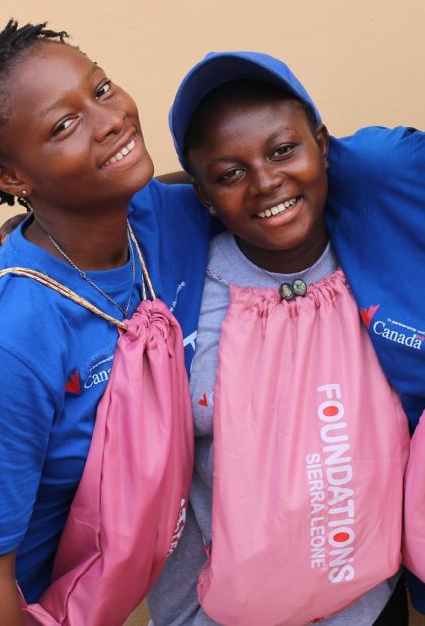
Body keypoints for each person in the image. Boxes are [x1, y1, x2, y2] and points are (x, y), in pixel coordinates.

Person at [0, 21, 212, 625]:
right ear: (10, 177)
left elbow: (251, 174)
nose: (109, 120)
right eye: (63, 125)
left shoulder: (161, 221)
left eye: (100, 89)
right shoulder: (7, 334)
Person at [144, 53, 411, 625]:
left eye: (283, 150)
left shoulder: (380, 253)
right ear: (204, 196)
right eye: (230, 174)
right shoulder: (178, 290)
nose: (266, 182)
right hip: (223, 611)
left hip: (369, 604)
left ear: (323, 146)